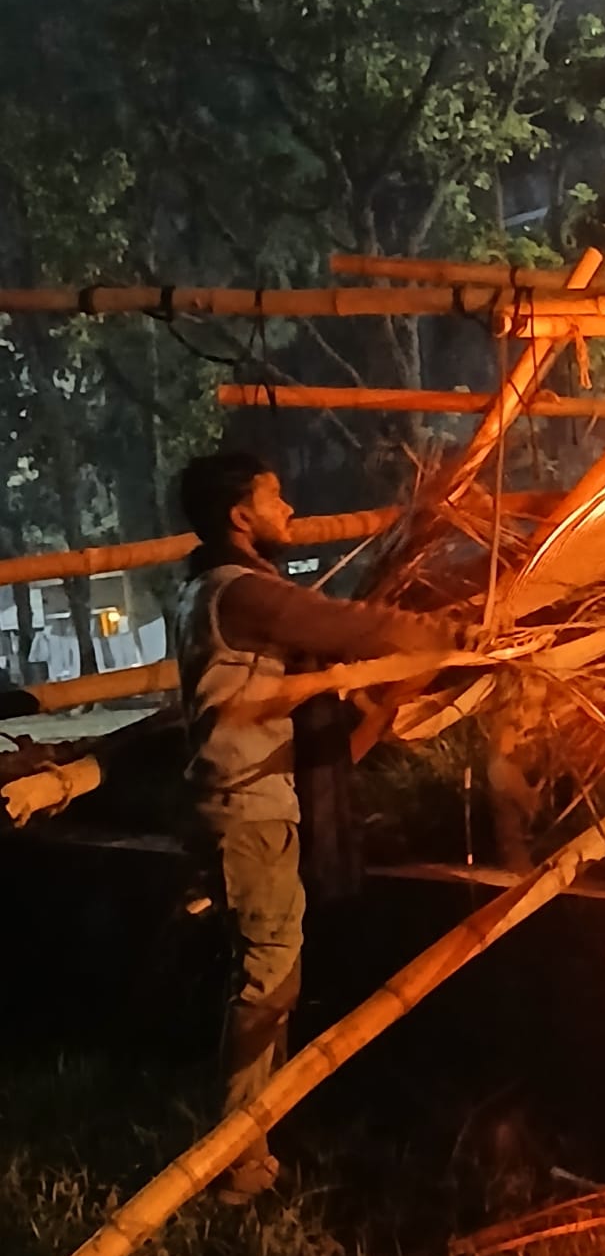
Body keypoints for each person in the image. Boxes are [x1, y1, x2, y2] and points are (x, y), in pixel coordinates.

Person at [176, 450, 453, 1204]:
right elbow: (346, 626)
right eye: (275, 497)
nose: (289, 509)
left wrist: (389, 690)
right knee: (269, 982)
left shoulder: (216, 588)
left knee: (272, 977)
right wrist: (433, 630)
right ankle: (236, 1159)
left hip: (255, 807)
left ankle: (257, 1135)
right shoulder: (242, 593)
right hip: (248, 811)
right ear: (241, 517)